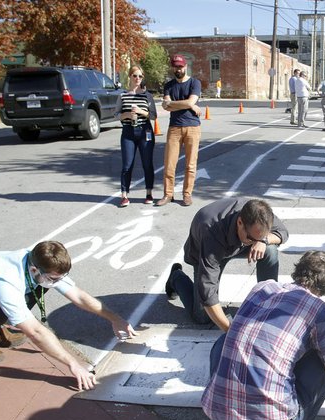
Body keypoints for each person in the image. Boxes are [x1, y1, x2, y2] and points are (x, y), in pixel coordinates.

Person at [201, 250, 325, 420]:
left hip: (216, 414)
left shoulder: (262, 288)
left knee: (226, 341)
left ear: (298, 271)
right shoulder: (319, 310)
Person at [0, 241, 137, 390]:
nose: (57, 282)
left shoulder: (37, 261)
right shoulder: (6, 280)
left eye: (60, 278)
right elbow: (35, 331)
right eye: (53, 278)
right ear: (35, 269)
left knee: (33, 291)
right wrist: (72, 363)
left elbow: (79, 297)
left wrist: (115, 318)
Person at [165, 198, 289, 333]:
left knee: (269, 250)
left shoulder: (261, 215)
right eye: (252, 238)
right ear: (240, 222)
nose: (255, 241)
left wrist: (263, 241)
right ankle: (176, 277)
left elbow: (283, 232)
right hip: (210, 251)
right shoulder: (211, 230)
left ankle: (268, 302)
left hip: (238, 244)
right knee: (202, 317)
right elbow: (208, 290)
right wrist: (230, 331)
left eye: (259, 237)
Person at [156, 54, 202, 207]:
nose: (178, 69)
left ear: (186, 66)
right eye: (176, 66)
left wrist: (184, 104)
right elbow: (165, 106)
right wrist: (189, 105)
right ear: (172, 67)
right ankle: (168, 195)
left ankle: (187, 195)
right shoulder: (169, 85)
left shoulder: (195, 83)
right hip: (174, 127)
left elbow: (176, 103)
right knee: (169, 163)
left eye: (180, 66)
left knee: (190, 164)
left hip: (192, 127)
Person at [114, 65, 157, 207]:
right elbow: (116, 115)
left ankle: (149, 193)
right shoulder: (123, 95)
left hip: (145, 131)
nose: (137, 79)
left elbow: (153, 115)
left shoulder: (147, 95)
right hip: (128, 132)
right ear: (130, 77)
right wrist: (126, 115)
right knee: (127, 165)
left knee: (147, 163)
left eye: (140, 76)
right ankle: (124, 195)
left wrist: (140, 111)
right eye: (135, 76)